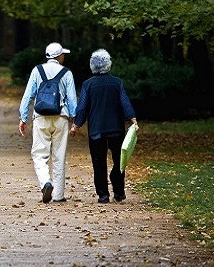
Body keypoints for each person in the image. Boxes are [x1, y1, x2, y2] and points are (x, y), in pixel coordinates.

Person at [70, 49, 138, 203]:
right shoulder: (117, 83)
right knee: (119, 160)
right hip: (116, 129)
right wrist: (133, 119)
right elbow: (125, 102)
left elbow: (82, 107)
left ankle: (103, 195)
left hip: (96, 130)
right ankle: (119, 192)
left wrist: (76, 125)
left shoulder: (88, 84)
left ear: (92, 66)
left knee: (98, 162)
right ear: (108, 64)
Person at [19, 42, 77, 203]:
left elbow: (28, 96)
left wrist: (23, 118)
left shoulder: (37, 71)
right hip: (61, 118)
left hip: (41, 117)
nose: (63, 56)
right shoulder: (66, 73)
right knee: (59, 156)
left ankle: (45, 182)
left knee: (39, 154)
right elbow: (72, 99)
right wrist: (75, 120)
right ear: (58, 56)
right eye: (62, 54)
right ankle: (58, 195)